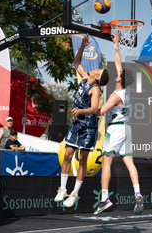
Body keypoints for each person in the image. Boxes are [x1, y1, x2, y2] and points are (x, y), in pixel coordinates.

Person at [54, 33, 109, 208]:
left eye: (98, 70)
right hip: (77, 124)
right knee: (68, 155)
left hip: (88, 127)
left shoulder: (95, 89)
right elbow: (76, 63)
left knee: (83, 160)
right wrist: (83, 46)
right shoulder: (85, 78)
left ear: (98, 78)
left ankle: (75, 193)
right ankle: (62, 189)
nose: (96, 69)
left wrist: (80, 110)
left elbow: (94, 109)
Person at [94, 32, 144, 215]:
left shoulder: (115, 96)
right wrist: (115, 46)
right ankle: (138, 193)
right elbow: (118, 64)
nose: (117, 75)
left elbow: (100, 112)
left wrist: (91, 103)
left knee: (106, 163)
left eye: (118, 75)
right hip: (127, 129)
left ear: (119, 80)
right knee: (129, 163)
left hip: (114, 129)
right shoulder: (126, 92)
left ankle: (104, 199)